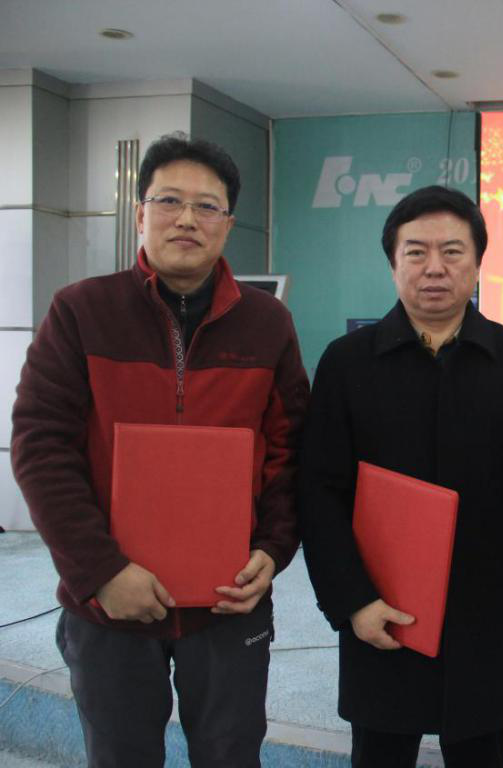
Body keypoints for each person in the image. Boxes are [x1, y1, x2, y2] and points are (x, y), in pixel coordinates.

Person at [10, 132, 309, 767]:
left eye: (208, 206)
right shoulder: (81, 311)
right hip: (108, 604)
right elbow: (40, 446)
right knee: (121, 755)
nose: (187, 219)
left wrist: (272, 549)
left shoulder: (267, 323)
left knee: (231, 755)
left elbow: (292, 451)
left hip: (228, 600)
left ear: (228, 223)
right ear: (140, 212)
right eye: (170, 200)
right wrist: (100, 571)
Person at [297, 185, 503, 768]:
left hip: (486, 607)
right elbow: (321, 493)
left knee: (481, 750)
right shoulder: (346, 362)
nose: (434, 267)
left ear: (478, 264)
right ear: (393, 264)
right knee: (380, 751)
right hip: (382, 605)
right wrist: (353, 601)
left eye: (452, 251)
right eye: (416, 252)